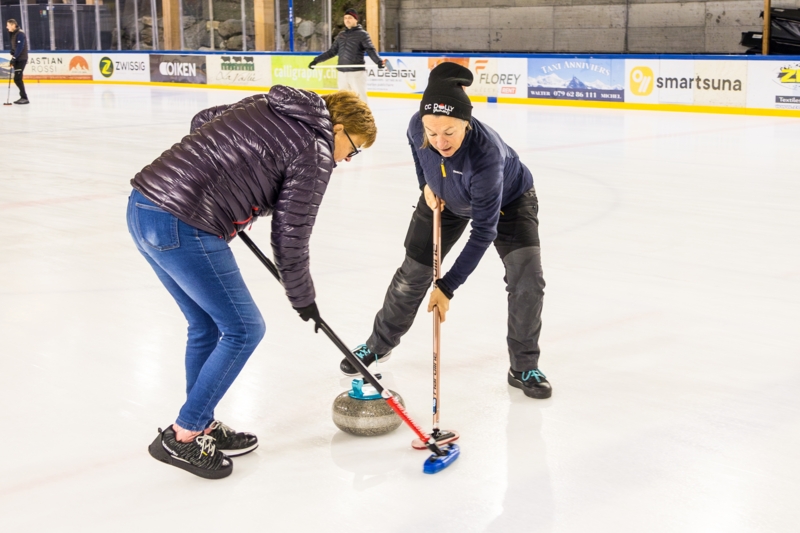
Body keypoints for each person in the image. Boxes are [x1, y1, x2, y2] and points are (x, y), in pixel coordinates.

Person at [127, 87, 377, 479]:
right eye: (354, 149)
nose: (346, 159)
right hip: (184, 224)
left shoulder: (269, 103)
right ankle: (184, 434)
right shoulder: (316, 150)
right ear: (338, 128)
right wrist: (303, 298)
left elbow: (203, 121)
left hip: (144, 207)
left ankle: (201, 423)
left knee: (206, 325)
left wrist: (229, 183)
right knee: (244, 329)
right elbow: (291, 235)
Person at [342, 63, 551, 400]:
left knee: (526, 279)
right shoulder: (417, 126)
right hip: (443, 198)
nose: (439, 141)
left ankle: (524, 366)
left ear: (466, 123)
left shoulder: (486, 156)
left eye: (449, 133)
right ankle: (378, 345)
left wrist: (447, 286)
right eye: (432, 132)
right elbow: (417, 149)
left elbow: (483, 232)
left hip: (508, 203)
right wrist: (425, 184)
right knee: (412, 273)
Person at [307, 8, 384, 103]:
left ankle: (363, 113)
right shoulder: (341, 35)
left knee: (361, 99)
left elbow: (370, 49)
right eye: (345, 18)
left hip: (356, 73)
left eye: (350, 18)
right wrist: (316, 60)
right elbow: (332, 51)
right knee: (343, 100)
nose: (347, 20)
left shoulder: (362, 35)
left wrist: (378, 61)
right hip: (342, 73)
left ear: (356, 19)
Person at [6, 19, 28, 105]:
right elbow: (15, 46)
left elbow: (20, 47)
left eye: (8, 25)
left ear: (13, 25)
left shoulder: (20, 34)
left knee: (17, 79)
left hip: (21, 59)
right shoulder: (14, 34)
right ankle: (23, 97)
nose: (7, 27)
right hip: (17, 59)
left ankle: (24, 98)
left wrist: (14, 57)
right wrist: (13, 51)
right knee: (17, 79)